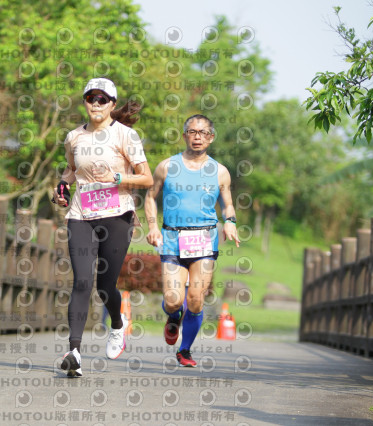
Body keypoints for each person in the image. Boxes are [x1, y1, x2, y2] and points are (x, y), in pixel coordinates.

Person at [52, 78, 153, 377]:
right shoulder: (73, 137)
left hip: (117, 215)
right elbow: (71, 170)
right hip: (80, 215)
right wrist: (61, 186)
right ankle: (74, 351)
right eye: (90, 98)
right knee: (82, 281)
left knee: (104, 285)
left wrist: (120, 180)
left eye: (102, 99)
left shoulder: (126, 135)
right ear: (84, 101)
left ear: (111, 104)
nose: (95, 104)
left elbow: (146, 178)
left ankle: (117, 326)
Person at [145, 114, 240, 367]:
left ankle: (185, 350)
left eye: (202, 133)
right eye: (192, 132)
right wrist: (153, 227)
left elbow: (228, 205)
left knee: (196, 299)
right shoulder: (167, 166)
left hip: (204, 240)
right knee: (174, 299)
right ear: (184, 135)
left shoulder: (220, 172)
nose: (197, 137)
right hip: (173, 237)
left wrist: (230, 223)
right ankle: (173, 316)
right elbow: (150, 196)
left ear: (211, 138)